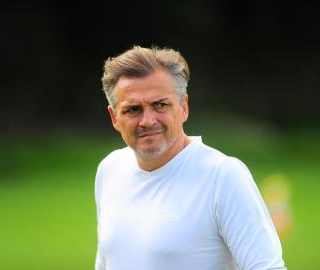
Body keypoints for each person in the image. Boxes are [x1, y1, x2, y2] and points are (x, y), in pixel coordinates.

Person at [95, 45, 286, 270]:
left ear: (183, 107)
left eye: (160, 105)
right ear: (114, 117)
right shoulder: (110, 169)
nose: (147, 120)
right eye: (133, 110)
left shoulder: (222, 176)